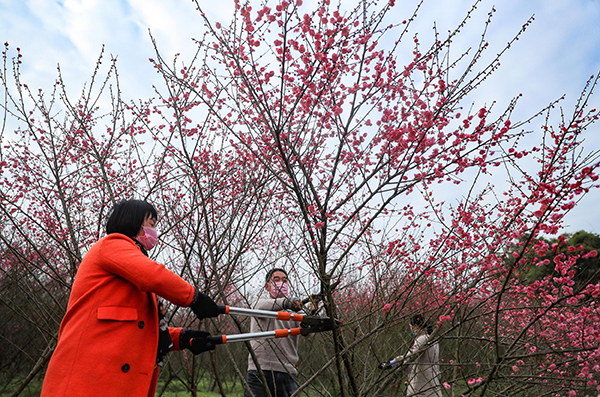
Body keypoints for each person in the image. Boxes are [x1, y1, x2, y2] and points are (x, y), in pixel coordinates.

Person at [41, 199, 221, 397]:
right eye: (151, 224)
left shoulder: (132, 269)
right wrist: (194, 298)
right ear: (133, 222)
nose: (154, 231)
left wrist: (182, 338)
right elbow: (154, 276)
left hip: (109, 383)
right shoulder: (112, 245)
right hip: (86, 381)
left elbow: (136, 326)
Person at [245, 268, 302, 397]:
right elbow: (258, 307)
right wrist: (286, 303)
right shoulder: (259, 303)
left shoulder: (296, 313)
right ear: (267, 286)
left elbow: (307, 331)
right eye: (276, 280)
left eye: (285, 280)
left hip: (287, 371)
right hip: (260, 369)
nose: (281, 283)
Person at [378, 314, 442, 397]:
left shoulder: (422, 339)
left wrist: (392, 363)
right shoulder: (433, 340)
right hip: (432, 380)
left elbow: (410, 357)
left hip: (422, 381)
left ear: (415, 326)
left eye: (411, 326)